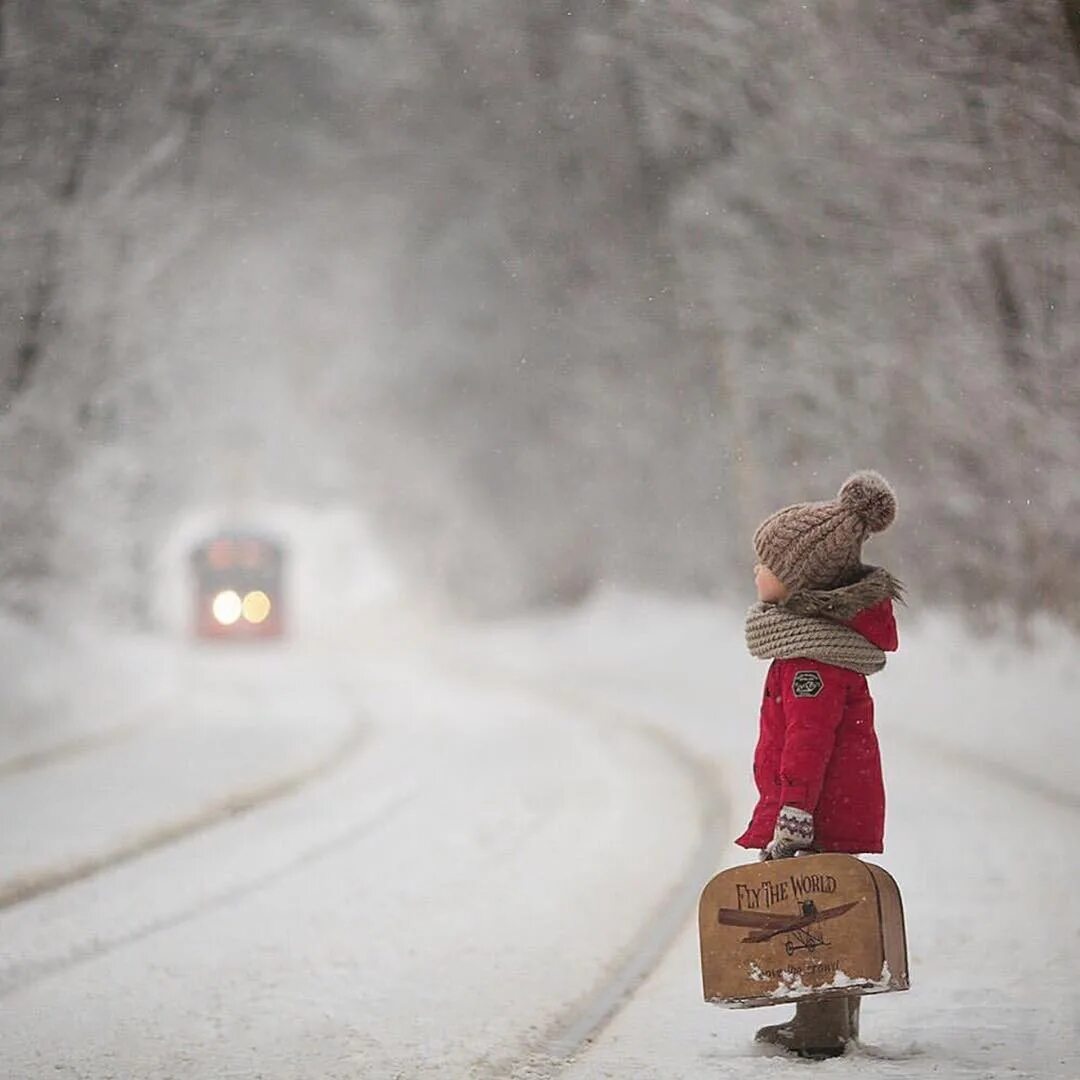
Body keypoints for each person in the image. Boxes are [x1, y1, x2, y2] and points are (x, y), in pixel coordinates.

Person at [736, 469, 902, 1056]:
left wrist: (794, 814)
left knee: (813, 913)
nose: (755, 573)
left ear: (798, 580)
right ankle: (834, 1016)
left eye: (765, 564)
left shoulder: (814, 660)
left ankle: (821, 1025)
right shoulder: (812, 645)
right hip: (829, 804)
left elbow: (808, 742)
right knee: (827, 905)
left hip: (819, 807)